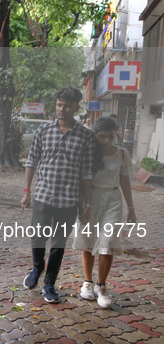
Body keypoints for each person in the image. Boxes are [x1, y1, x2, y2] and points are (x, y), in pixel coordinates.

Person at [21, 87, 94, 303]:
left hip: (69, 200)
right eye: (59, 105)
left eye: (67, 106)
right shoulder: (44, 131)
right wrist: (27, 191)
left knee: (58, 243)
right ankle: (37, 268)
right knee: (37, 237)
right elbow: (31, 161)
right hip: (43, 195)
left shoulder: (85, 136)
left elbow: (87, 173)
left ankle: (49, 284)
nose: (62, 109)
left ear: (76, 108)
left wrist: (87, 203)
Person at [73, 116, 135, 309]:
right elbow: (81, 181)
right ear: (95, 135)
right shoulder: (88, 153)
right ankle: (87, 283)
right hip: (90, 201)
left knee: (108, 243)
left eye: (111, 136)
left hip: (113, 201)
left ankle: (101, 285)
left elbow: (125, 181)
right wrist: (82, 205)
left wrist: (131, 208)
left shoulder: (122, 154)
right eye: (102, 136)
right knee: (89, 241)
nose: (107, 141)